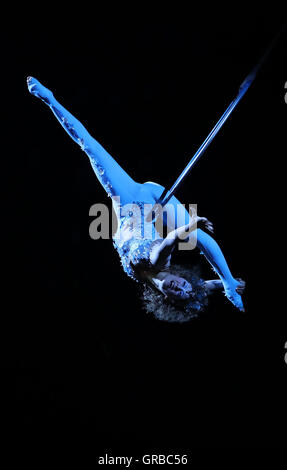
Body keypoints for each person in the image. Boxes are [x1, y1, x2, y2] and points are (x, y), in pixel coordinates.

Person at [27, 77, 245, 313]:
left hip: (132, 202)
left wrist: (194, 233)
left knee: (90, 148)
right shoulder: (161, 268)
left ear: (167, 299)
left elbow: (182, 260)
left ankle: (49, 100)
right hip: (145, 201)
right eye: (184, 286)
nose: (180, 288)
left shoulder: (151, 272)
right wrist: (222, 280)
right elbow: (179, 255)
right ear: (184, 279)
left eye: (178, 294)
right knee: (199, 238)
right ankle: (229, 282)